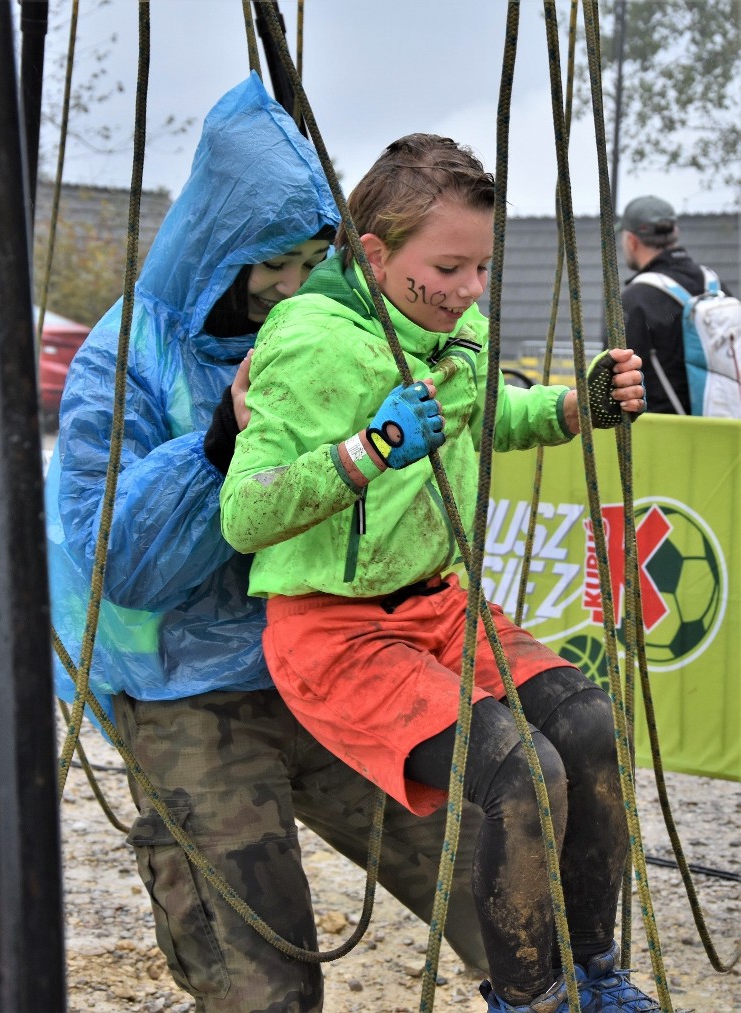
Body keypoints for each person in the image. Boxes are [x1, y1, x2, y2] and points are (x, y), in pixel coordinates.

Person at [46, 77, 488, 1013]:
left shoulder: (334, 331)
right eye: (268, 264)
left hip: (328, 650)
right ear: (217, 250)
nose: (290, 286)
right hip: (187, 689)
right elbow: (112, 563)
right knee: (260, 976)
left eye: (306, 260)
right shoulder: (131, 354)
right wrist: (217, 445)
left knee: (493, 863)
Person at [220, 134, 657, 1013]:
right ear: (375, 254)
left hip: (441, 605)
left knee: (593, 725)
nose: (468, 291)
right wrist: (368, 449)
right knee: (520, 769)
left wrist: (577, 405)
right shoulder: (310, 342)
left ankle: (594, 972)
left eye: (482, 267)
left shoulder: (448, 325)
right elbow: (245, 511)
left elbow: (488, 410)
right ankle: (530, 999)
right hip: (335, 628)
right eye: (449, 267)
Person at [617, 194, 730, 414]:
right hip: (730, 428)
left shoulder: (635, 299)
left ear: (631, 240)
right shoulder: (715, 285)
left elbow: (615, 381)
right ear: (675, 233)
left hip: (665, 434)